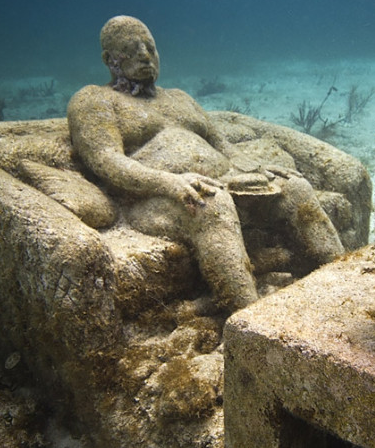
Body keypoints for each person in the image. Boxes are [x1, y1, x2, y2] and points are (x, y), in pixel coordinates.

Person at [67, 16, 344, 312]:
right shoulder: (94, 100)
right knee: (208, 204)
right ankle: (249, 318)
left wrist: (255, 170)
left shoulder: (179, 98)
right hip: (154, 198)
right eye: (132, 50)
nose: (145, 56)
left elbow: (221, 144)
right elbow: (106, 160)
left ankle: (343, 282)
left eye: (150, 47)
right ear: (109, 59)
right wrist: (170, 182)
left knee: (296, 190)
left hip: (221, 180)